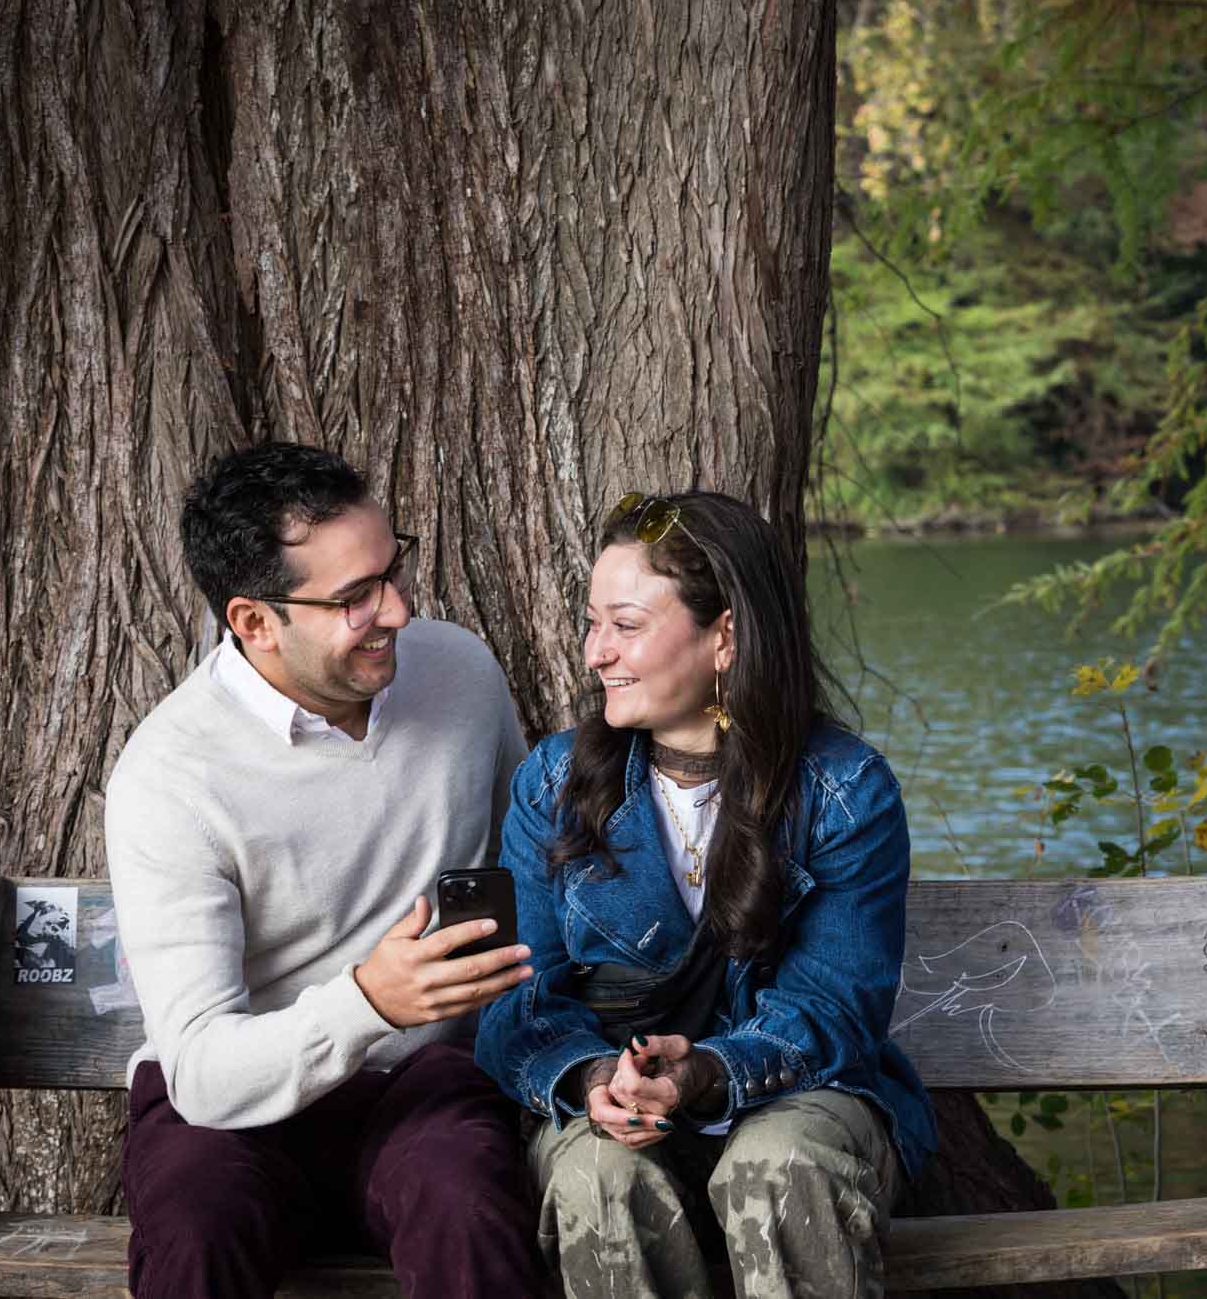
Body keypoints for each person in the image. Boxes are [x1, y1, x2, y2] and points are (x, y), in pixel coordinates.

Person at [104, 441, 545, 1297]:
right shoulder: (170, 775)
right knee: (196, 1227)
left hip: (418, 1087)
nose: (397, 610)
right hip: (231, 1109)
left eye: (392, 570)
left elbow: (532, 865)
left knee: (470, 1203)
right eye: (354, 597)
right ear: (255, 622)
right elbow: (199, 1069)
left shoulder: (460, 674)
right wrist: (368, 999)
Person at [475, 490, 936, 1298]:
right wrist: (591, 1079)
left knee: (777, 1165)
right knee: (595, 1175)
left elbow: (833, 1007)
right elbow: (519, 999)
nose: (595, 652)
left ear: (724, 633)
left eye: (625, 625)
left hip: (799, 1098)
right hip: (614, 1104)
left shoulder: (842, 788)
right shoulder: (553, 783)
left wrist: (708, 1071)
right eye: (593, 623)